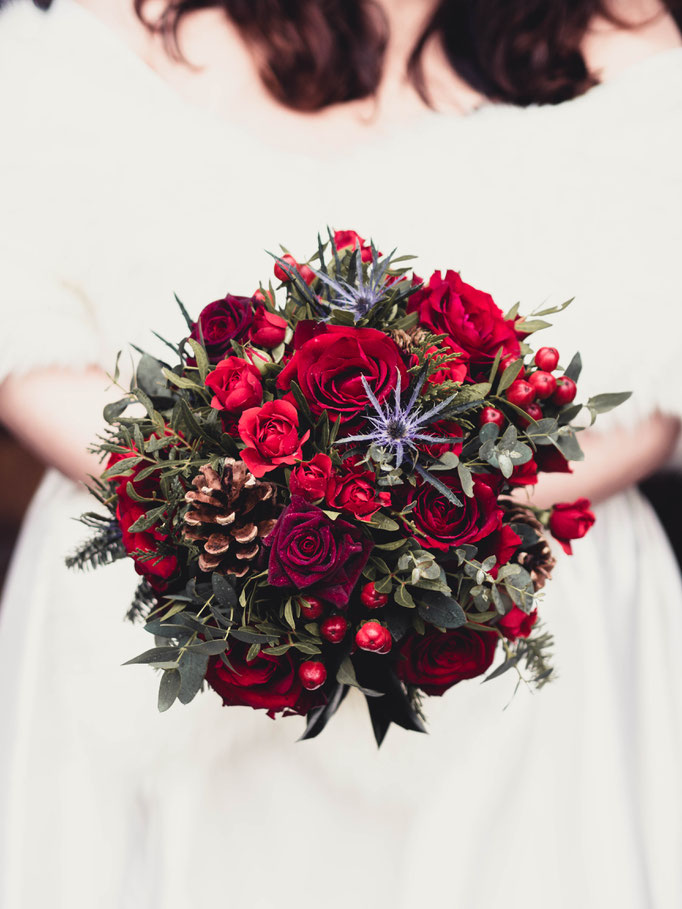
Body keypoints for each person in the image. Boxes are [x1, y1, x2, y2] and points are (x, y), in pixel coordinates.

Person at [0, 0, 680, 906]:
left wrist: (420, 524)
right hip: (162, 600)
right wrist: (222, 494)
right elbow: (26, 324)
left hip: (520, 623)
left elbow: (655, 386)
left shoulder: (628, 41)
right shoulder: (105, 31)